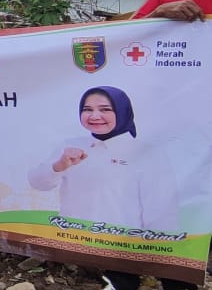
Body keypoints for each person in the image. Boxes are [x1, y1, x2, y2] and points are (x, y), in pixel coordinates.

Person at [78, 0, 212, 290]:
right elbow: (128, 35)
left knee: (190, 200)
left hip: (202, 126)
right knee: (138, 196)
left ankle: (180, 283)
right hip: (160, 118)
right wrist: (158, 13)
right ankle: (123, 278)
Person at [28, 86, 179, 230]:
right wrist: (59, 166)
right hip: (71, 241)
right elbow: (38, 184)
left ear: (122, 112)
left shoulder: (147, 153)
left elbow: (162, 212)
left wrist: (151, 251)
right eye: (87, 110)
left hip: (121, 247)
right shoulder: (71, 146)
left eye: (105, 109)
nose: (94, 116)